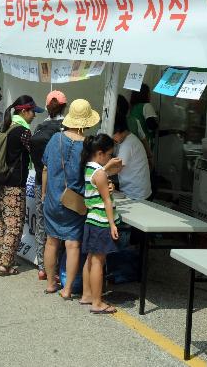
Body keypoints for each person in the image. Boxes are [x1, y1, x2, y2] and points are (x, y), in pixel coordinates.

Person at [42, 99, 120, 298]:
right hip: (74, 201)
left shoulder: (54, 139)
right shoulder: (86, 147)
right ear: (85, 122)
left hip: (52, 198)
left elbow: (45, 168)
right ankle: (67, 290)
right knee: (72, 244)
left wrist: (44, 193)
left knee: (51, 242)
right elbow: (92, 174)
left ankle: (51, 283)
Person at [0, 95, 43, 276]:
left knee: (1, 222)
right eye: (32, 112)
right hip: (15, 184)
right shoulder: (22, 131)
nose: (34, 116)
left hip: (1, 180)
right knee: (14, 224)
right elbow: (34, 151)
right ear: (24, 111)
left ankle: (1, 257)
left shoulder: (7, 126)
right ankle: (6, 265)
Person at [78, 134, 121, 314]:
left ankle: (87, 295)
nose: (111, 158)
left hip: (91, 220)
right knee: (98, 262)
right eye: (109, 154)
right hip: (101, 221)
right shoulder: (100, 173)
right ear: (100, 153)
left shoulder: (89, 168)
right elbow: (107, 201)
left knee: (90, 259)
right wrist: (112, 224)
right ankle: (97, 302)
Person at [29, 90, 66, 280]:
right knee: (60, 228)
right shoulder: (65, 129)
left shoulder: (39, 126)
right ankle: (58, 269)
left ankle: (43, 268)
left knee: (42, 225)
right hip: (60, 185)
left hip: (38, 182)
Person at [111, 116, 152, 200]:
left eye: (112, 135)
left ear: (119, 132)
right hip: (139, 190)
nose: (112, 139)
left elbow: (116, 168)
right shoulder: (131, 138)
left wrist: (98, 173)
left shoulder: (127, 145)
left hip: (136, 193)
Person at [127, 84, 158, 158]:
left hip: (134, 144)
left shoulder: (133, 108)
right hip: (145, 144)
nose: (150, 95)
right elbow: (152, 126)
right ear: (145, 94)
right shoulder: (147, 106)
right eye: (149, 93)